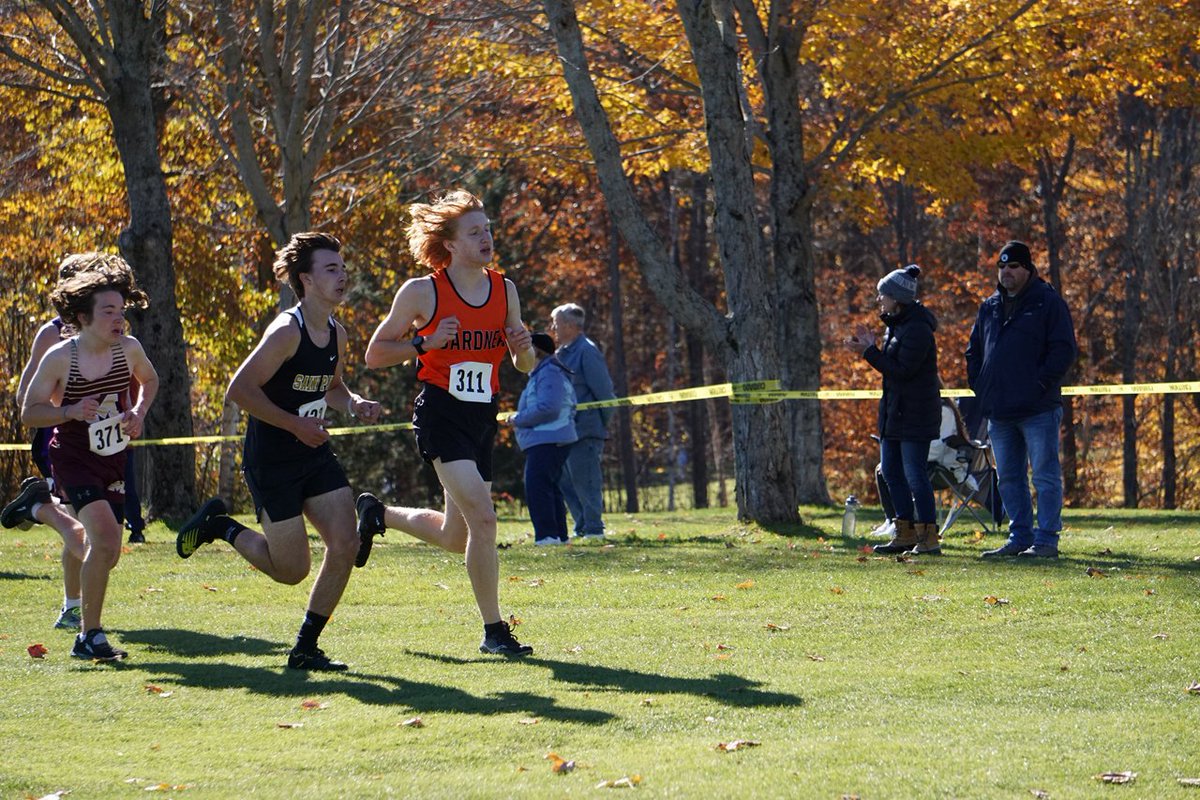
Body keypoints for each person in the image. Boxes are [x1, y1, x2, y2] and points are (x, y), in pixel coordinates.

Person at [175, 232, 382, 671]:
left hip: (314, 454)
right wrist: (294, 425)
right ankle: (220, 526)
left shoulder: (338, 335)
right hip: (272, 460)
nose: (343, 275)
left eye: (343, 267)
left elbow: (332, 388)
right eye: (331, 269)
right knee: (291, 571)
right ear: (305, 280)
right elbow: (239, 390)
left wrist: (354, 403)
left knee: (345, 544)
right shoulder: (288, 331)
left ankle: (306, 647)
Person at [357, 189, 537, 657]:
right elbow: (375, 354)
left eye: (488, 230)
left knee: (456, 537)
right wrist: (426, 340)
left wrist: (521, 347)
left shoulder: (505, 289)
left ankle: (380, 514)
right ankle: (495, 632)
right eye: (475, 232)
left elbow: (525, 365)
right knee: (485, 518)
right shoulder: (423, 291)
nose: (487, 238)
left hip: (481, 417)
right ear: (451, 244)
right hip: (440, 414)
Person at [19, 257, 159, 660]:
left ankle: (85, 628)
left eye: (122, 310)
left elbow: (150, 380)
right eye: (108, 312)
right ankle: (89, 634)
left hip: (114, 454)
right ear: (83, 317)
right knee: (106, 539)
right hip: (74, 456)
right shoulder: (62, 356)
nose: (119, 319)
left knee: (108, 551)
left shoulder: (129, 349)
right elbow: (29, 411)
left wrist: (138, 413)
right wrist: (69, 411)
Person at [967, 241, 1077, 559]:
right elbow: (974, 350)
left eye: (1013, 266)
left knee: (1043, 474)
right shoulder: (989, 307)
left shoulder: (1047, 303)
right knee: (1009, 477)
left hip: (1037, 408)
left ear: (1027, 269)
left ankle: (1045, 541)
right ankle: (1019, 537)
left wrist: (1040, 382)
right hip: (999, 409)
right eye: (1002, 267)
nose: (1006, 272)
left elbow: (1064, 349)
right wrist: (980, 385)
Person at [844, 264, 941, 555]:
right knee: (889, 472)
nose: (878, 300)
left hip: (915, 415)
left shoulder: (918, 329)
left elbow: (902, 371)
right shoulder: (895, 327)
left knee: (915, 475)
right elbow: (891, 368)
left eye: (882, 294)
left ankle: (928, 537)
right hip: (894, 415)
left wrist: (869, 353)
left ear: (897, 298)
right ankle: (904, 532)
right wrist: (873, 347)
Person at [549, 303, 615, 540]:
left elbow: (605, 393)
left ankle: (595, 530)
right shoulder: (561, 353)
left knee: (586, 480)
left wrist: (598, 424)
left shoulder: (587, 351)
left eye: (556, 323)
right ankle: (583, 527)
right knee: (566, 481)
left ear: (569, 325)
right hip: (564, 431)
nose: (553, 328)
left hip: (585, 430)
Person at [507, 331, 577, 545]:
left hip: (548, 438)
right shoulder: (544, 373)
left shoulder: (549, 373)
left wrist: (517, 418)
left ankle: (547, 536)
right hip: (548, 439)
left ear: (535, 350)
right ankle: (558, 536)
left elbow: (549, 408)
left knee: (537, 486)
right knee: (549, 487)